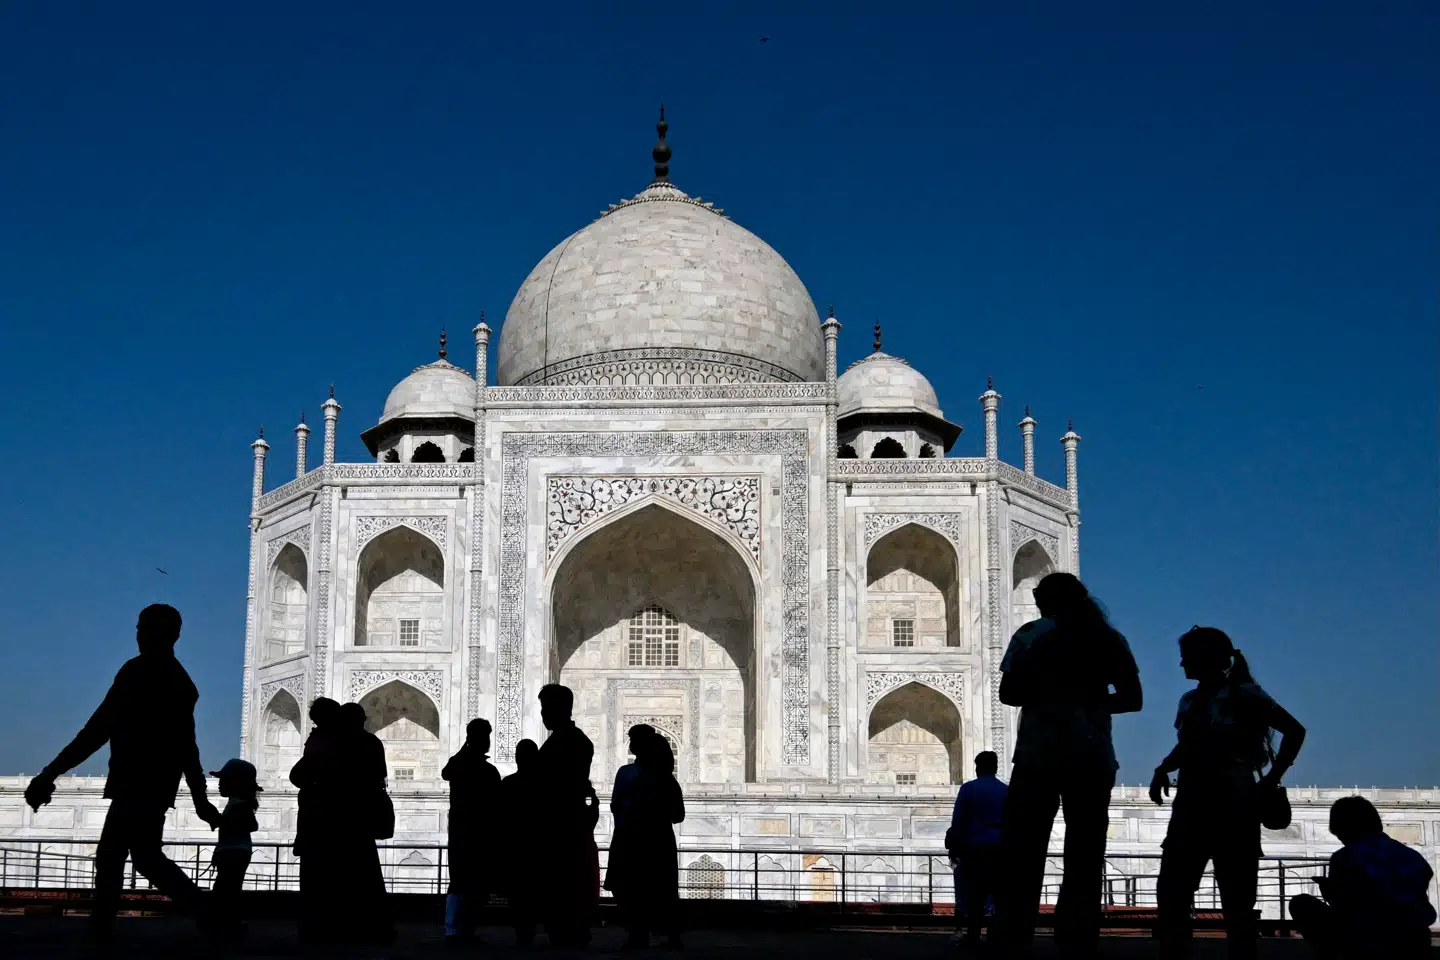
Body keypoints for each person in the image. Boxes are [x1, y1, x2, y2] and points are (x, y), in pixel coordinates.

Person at [24, 604, 221, 942]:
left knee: (115, 854)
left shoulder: (140, 672)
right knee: (144, 855)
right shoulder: (179, 680)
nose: (140, 635)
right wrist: (200, 798)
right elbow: (187, 747)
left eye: (145, 629)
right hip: (156, 784)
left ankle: (103, 928)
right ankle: (209, 917)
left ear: (168, 634)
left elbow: (98, 729)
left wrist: (50, 772)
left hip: (136, 781)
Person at [995, 573, 1143, 956]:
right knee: (1086, 849)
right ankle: (1077, 933)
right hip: (1091, 756)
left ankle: (1013, 931)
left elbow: (1008, 693)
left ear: (1045, 600)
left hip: (1038, 755)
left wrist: (1047, 692)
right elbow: (1132, 698)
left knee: (1023, 849)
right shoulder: (1107, 637)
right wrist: (1089, 700)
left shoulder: (1031, 635)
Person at [1151, 626, 1305, 960]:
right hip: (1196, 800)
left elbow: (1294, 731)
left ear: (1207, 658)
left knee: (1233, 893)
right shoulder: (1191, 700)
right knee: (1174, 889)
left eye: (1187, 656)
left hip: (1232, 801)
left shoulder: (1245, 695)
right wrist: (1163, 767)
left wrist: (1272, 779)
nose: (1181, 664)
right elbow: (1188, 746)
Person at [289, 701, 393, 945]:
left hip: (324, 821)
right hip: (358, 820)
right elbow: (378, 777)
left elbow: (299, 776)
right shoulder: (369, 743)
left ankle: (320, 930)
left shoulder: (326, 742)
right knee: (363, 877)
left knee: (321, 879)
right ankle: (372, 928)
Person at [1288, 796, 1435, 959]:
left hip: (1369, 942)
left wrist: (1328, 891)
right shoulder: (1411, 856)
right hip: (1415, 939)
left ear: (1344, 829)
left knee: (1301, 903)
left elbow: (1344, 906)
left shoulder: (1346, 857)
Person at [605, 733, 685, 948]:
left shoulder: (628, 774)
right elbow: (678, 815)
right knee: (661, 888)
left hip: (631, 838)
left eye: (633, 739)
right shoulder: (666, 778)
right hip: (658, 840)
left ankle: (638, 933)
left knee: (630, 885)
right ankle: (669, 936)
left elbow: (615, 806)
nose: (630, 742)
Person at [536, 683, 597, 947]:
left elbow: (557, 783)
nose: (542, 714)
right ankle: (570, 927)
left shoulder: (568, 742)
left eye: (545, 708)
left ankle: (568, 928)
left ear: (559, 708)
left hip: (563, 822)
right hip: (567, 819)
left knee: (565, 878)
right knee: (568, 878)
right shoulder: (570, 740)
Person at [442, 718, 502, 944]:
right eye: (485, 737)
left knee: (460, 881)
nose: (487, 742)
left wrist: (465, 748)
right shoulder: (486, 771)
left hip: (460, 832)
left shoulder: (459, 765)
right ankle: (462, 930)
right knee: (472, 883)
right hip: (478, 835)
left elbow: (446, 772)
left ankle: (454, 930)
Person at [947, 751, 1007, 946]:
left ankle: (973, 936)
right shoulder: (1006, 791)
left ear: (977, 767)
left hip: (974, 849)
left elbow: (959, 821)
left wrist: (955, 847)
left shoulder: (969, 789)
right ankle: (994, 937)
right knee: (997, 895)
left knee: (975, 896)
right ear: (996, 767)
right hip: (998, 850)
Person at [208, 758, 261, 940]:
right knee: (228, 889)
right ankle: (230, 921)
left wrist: (226, 823)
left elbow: (251, 825)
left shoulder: (240, 805)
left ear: (237, 784)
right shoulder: (236, 803)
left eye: (224, 781)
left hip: (236, 853)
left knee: (226, 889)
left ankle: (228, 923)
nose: (220, 785)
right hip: (234, 852)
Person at [501, 739, 543, 945]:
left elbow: (500, 817)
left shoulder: (508, 784)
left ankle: (521, 934)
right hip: (536, 847)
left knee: (518, 893)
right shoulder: (544, 785)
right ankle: (529, 932)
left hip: (515, 847)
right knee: (532, 892)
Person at [611, 723, 656, 836]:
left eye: (632, 740)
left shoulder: (626, 772)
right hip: (656, 838)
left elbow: (616, 806)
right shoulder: (663, 774)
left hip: (628, 836)